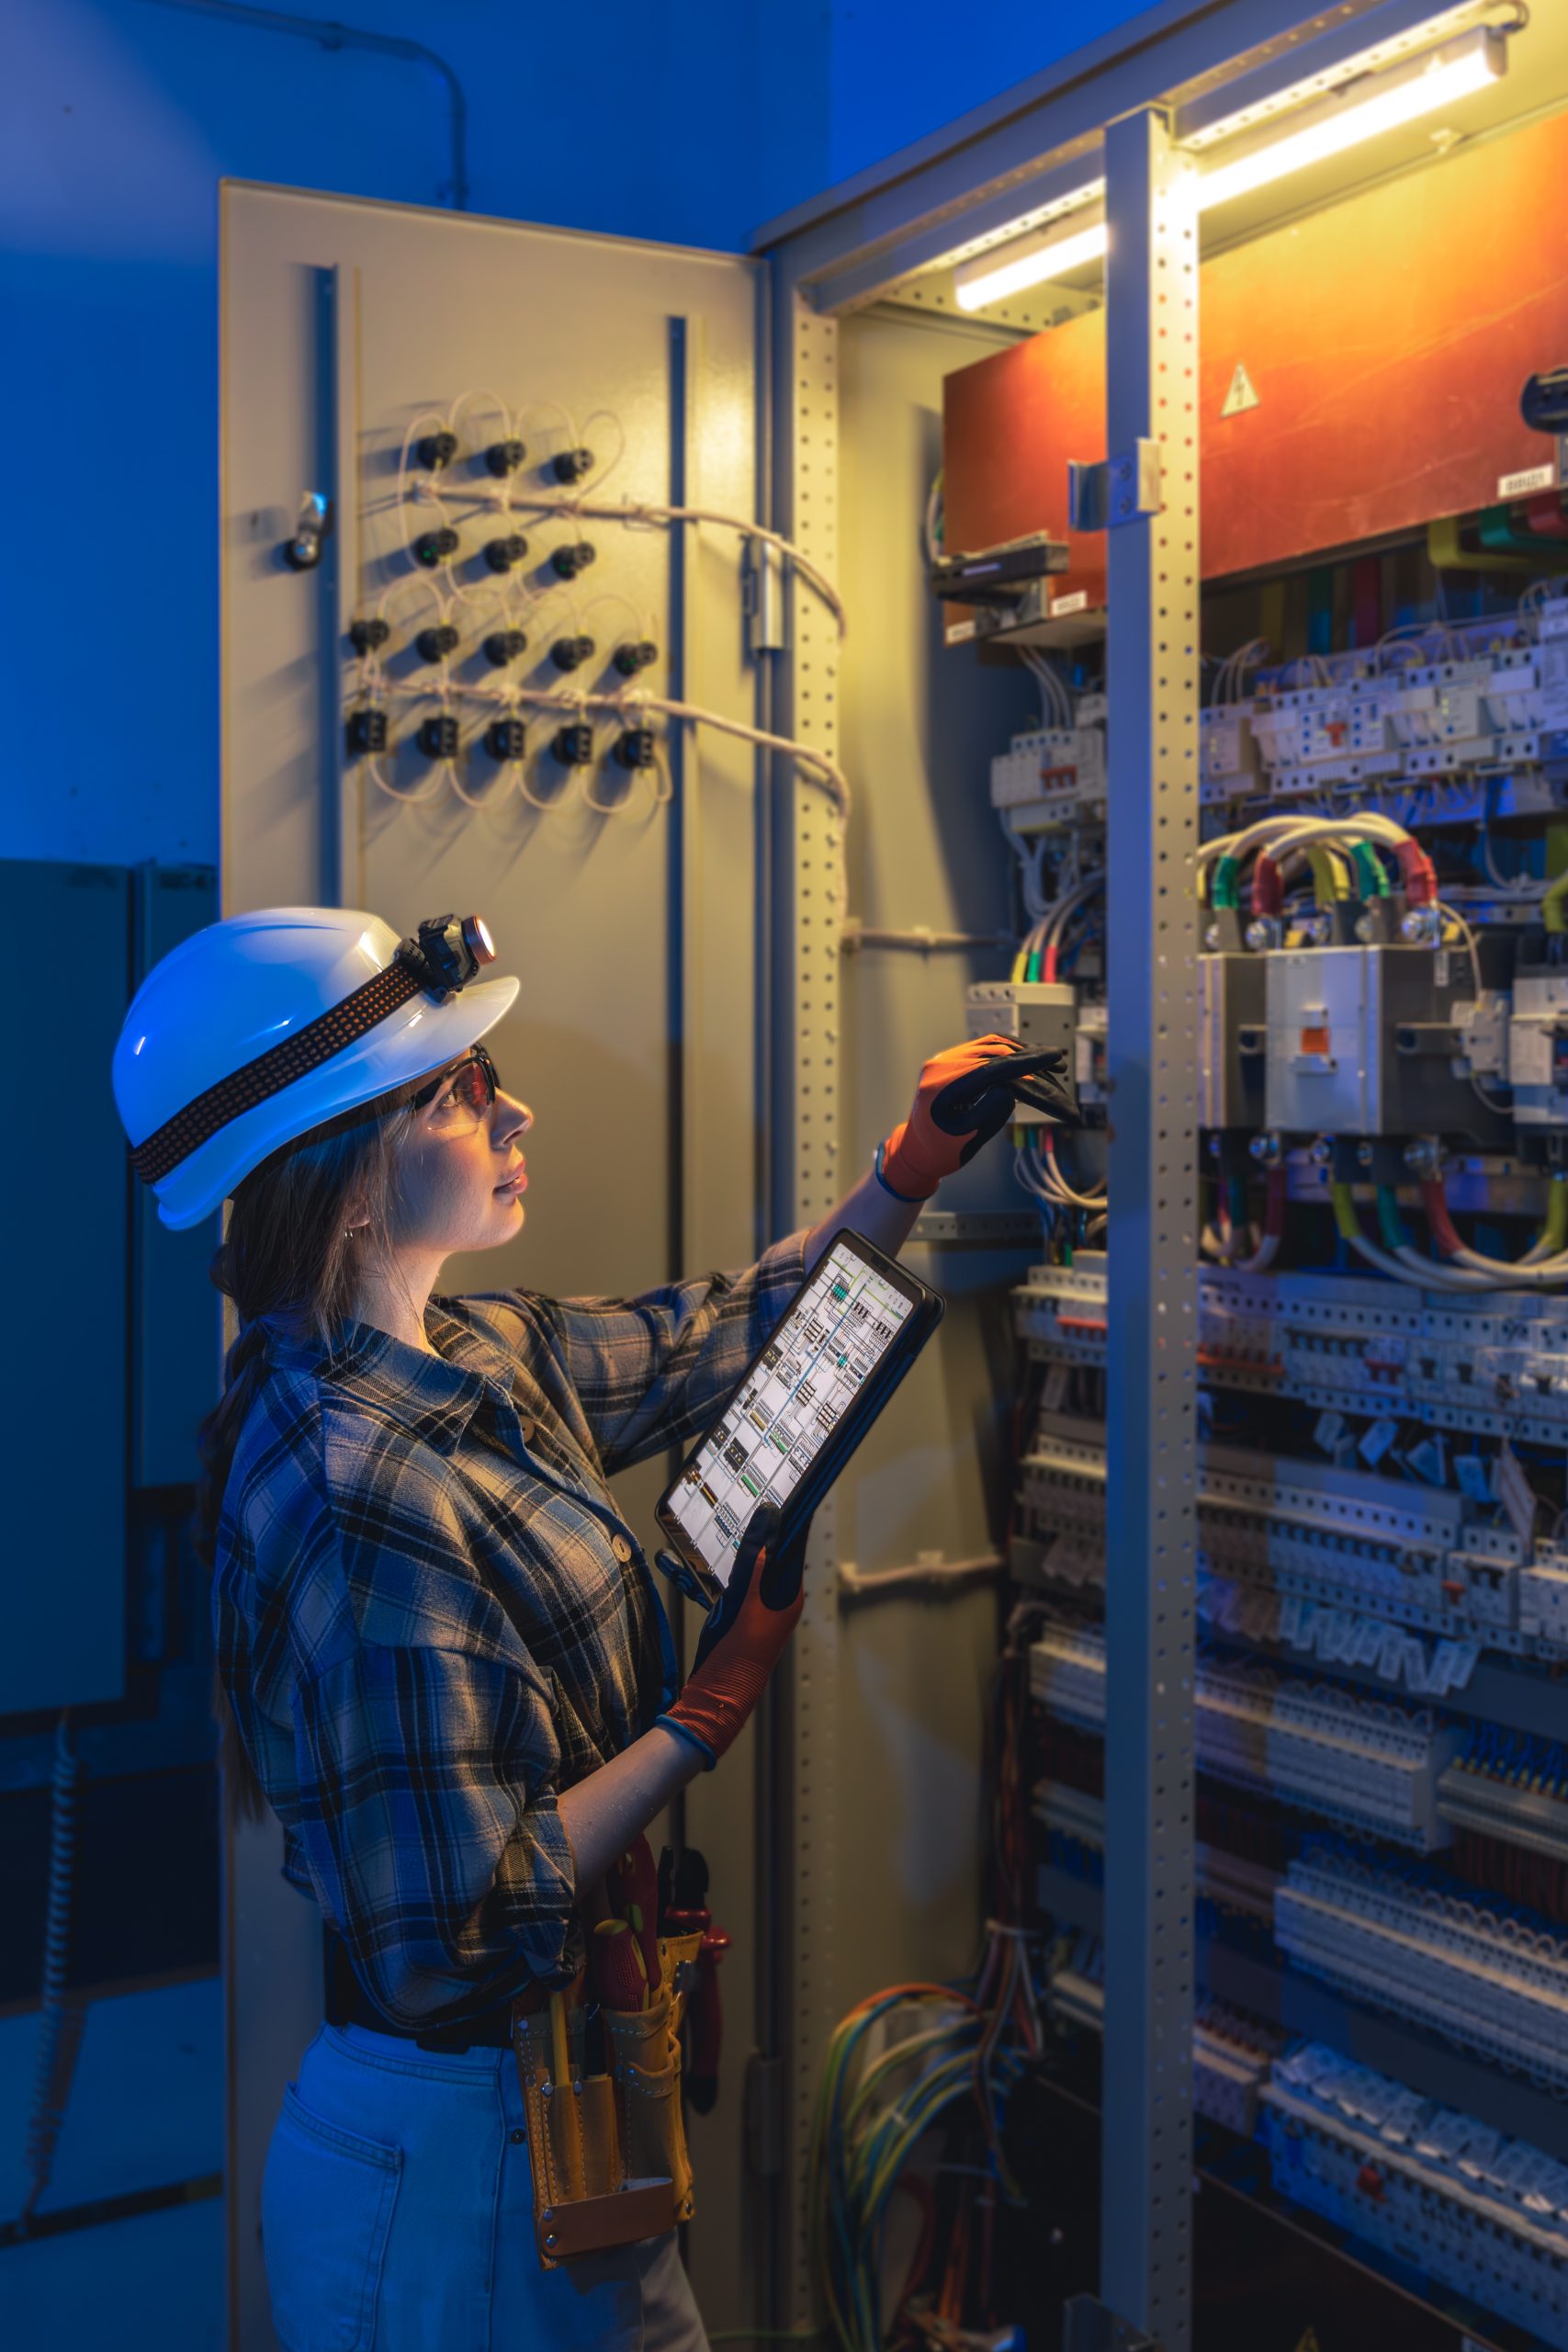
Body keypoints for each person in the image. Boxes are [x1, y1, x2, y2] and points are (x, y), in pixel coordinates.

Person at [111, 905, 1067, 2352]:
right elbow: (457, 1934)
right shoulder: (350, 1488)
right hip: (459, 2171)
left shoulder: (467, 1351)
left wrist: (909, 1170)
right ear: (351, 1178)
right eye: (460, 1090)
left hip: (531, 2133)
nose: (514, 1108)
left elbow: (720, 1333)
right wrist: (706, 1715)